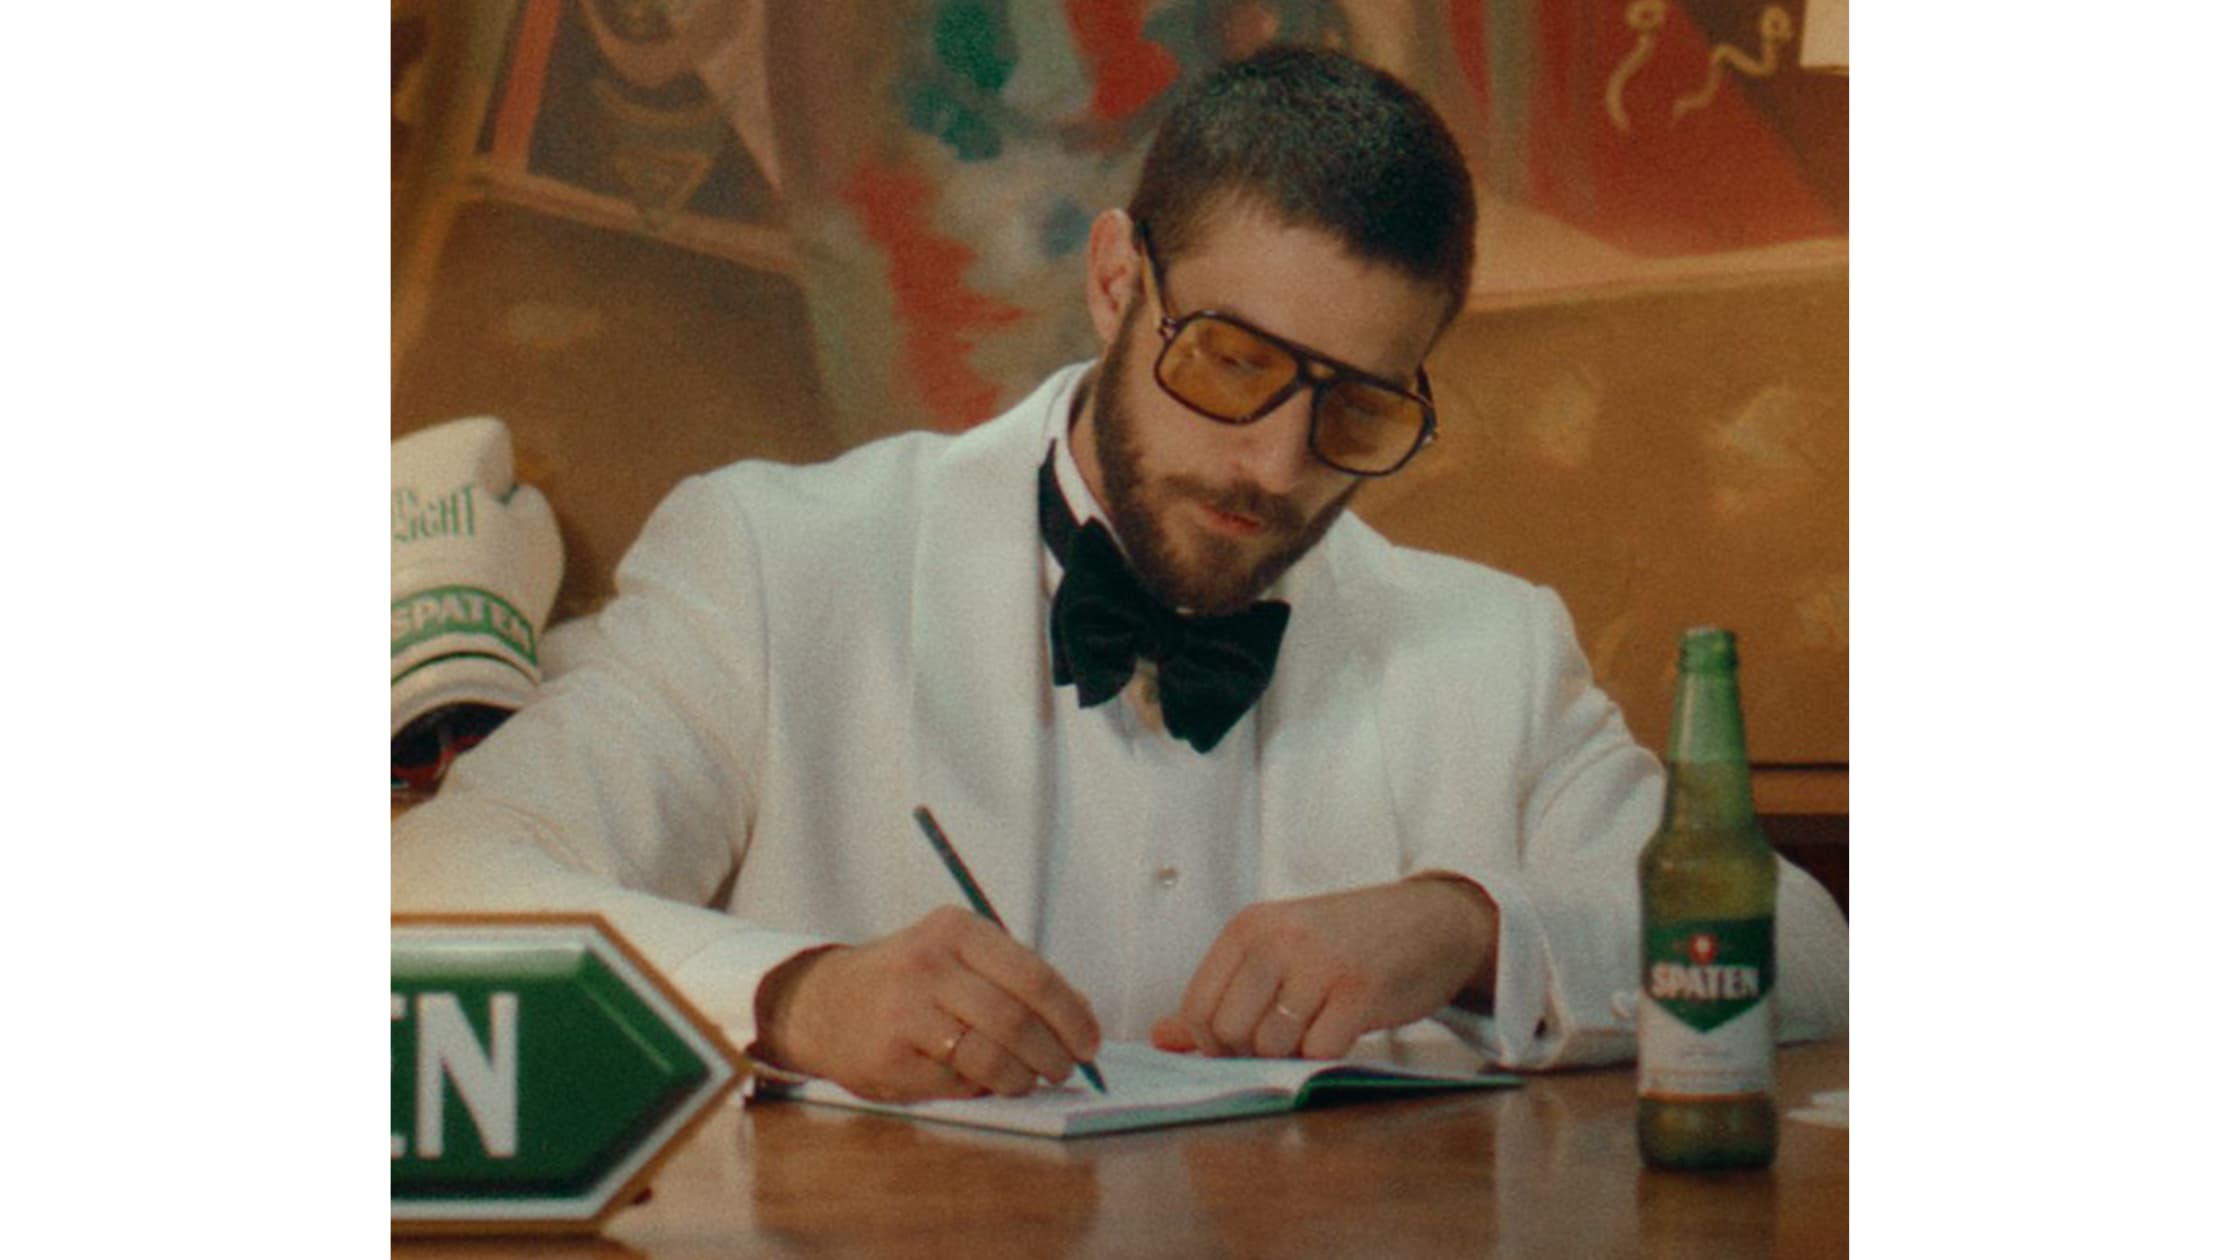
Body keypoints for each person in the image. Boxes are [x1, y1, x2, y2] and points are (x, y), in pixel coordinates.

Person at [392, 46, 1848, 1104]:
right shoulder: (777, 564)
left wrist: (1468, 929)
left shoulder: (1493, 651)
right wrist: (793, 998)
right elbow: (436, 880)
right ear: (1114, 283)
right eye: (1233, 361)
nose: (1275, 464)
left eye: (1355, 408)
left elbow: (1810, 949)